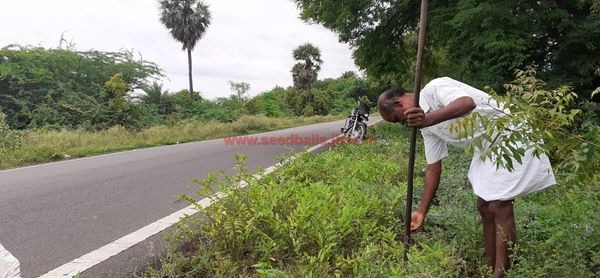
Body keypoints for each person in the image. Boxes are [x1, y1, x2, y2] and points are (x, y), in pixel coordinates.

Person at [377, 77, 556, 278]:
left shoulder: (434, 89)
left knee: (499, 205)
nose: (404, 124)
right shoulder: (425, 128)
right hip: (487, 148)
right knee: (484, 206)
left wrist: (428, 119)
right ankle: (491, 268)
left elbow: (466, 103)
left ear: (399, 104)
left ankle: (500, 275)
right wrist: (421, 211)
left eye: (399, 120)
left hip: (509, 133)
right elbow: (433, 168)